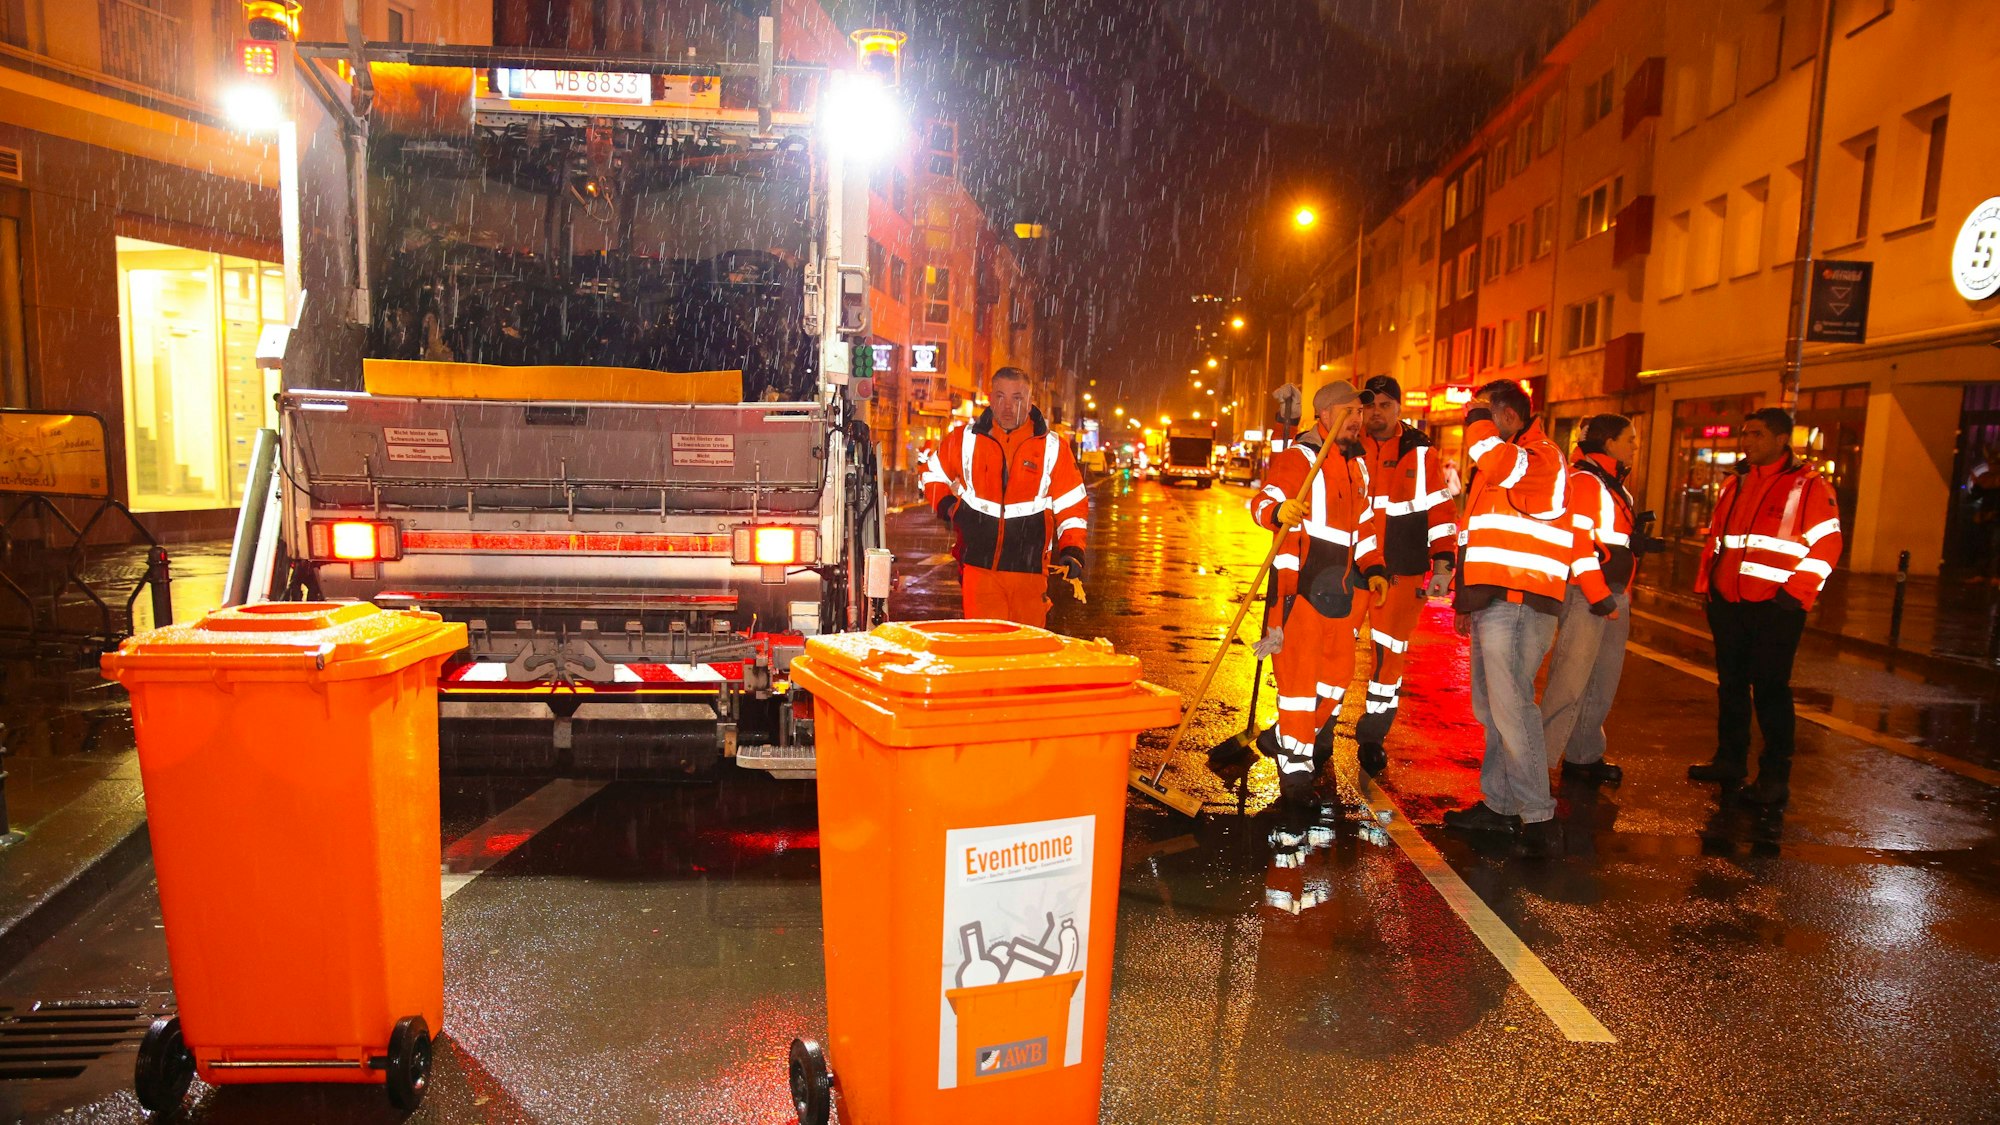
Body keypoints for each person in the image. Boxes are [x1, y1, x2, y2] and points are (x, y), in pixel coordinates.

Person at [1687, 407, 1842, 808]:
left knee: (1771, 690)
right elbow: (1720, 539)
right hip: (1729, 602)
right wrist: (1709, 587)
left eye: (1756, 434)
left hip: (1776, 607)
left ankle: (1774, 778)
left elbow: (1828, 545)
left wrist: (1794, 595)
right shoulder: (1736, 482)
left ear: (1780, 439)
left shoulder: (1809, 486)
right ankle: (1730, 760)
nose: (1747, 441)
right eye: (1745, 433)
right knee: (1731, 686)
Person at [1443, 379, 1572, 850]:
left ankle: (1538, 817)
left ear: (1511, 417)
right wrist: (1466, 600)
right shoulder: (1509, 460)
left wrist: (1476, 417)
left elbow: (1497, 462)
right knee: (1493, 709)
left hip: (1519, 601)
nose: (1475, 429)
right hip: (1495, 599)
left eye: (1486, 416)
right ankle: (1500, 805)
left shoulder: (1540, 458)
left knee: (1512, 709)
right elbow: (1476, 535)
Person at [1249, 382, 1390, 812]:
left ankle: (1282, 738)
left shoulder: (1357, 465)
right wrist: (1278, 511)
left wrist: (1375, 568)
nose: (1357, 419)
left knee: (1336, 680)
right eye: (1349, 411)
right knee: (1298, 686)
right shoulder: (1301, 459)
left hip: (1342, 594)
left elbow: (1364, 525)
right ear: (1325, 414)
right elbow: (1262, 502)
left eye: (1359, 413)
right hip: (1302, 593)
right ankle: (1295, 773)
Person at [922, 367, 1089, 627]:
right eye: (1000, 396)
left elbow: (1071, 505)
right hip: (979, 567)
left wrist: (1073, 549)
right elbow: (932, 473)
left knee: (1025, 646)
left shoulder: (1053, 448)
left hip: (1029, 572)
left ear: (1030, 402)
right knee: (984, 643)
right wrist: (947, 506)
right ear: (991, 399)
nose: (1007, 407)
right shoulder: (965, 439)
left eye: (1017, 398)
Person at [1354, 374, 1460, 774]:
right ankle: (1320, 734)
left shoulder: (1421, 453)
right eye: (1370, 405)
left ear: (1399, 408)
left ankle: (1372, 736)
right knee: (1332, 651)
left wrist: (1444, 563)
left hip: (1401, 570)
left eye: (1385, 405)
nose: (1376, 413)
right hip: (1353, 566)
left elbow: (1441, 512)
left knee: (1389, 655)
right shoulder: (1348, 444)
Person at [1541, 413, 1654, 786]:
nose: (1635, 446)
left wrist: (1634, 545)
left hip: (1609, 593)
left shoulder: (1612, 483)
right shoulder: (1587, 481)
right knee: (1569, 683)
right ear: (1609, 443)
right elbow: (1579, 544)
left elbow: (1607, 539)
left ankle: (1583, 755)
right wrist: (1599, 595)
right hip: (1589, 594)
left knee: (1601, 681)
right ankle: (1537, 767)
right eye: (1630, 439)